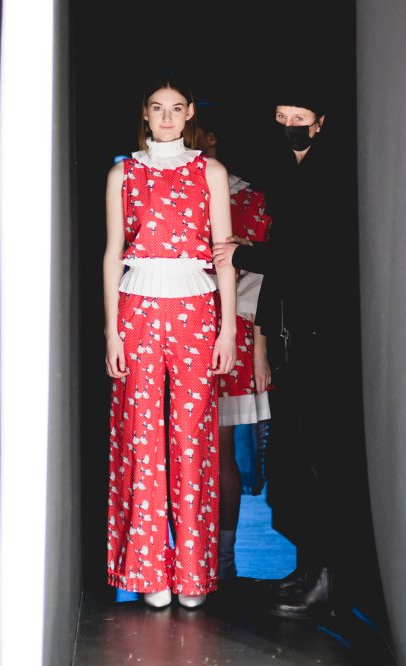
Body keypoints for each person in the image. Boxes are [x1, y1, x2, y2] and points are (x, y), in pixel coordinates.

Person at [212, 79, 367, 620]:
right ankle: (309, 569)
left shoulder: (329, 177)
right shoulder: (291, 176)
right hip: (294, 337)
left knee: (322, 460)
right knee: (299, 460)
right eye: (281, 118)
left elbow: (311, 257)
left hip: (322, 339)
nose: (289, 128)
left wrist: (244, 254)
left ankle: (327, 581)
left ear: (319, 123)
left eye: (298, 118)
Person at [104, 74, 237, 610]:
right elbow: (113, 252)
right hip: (137, 308)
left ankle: (192, 572)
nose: (165, 117)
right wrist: (110, 329)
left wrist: (228, 328)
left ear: (189, 114)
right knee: (140, 437)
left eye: (175, 108)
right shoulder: (124, 173)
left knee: (192, 436)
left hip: (196, 310)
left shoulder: (210, 172)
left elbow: (224, 254)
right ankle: (147, 570)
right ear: (144, 113)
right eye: (156, 108)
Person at [195, 104, 272, 580]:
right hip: (175, 325)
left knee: (218, 448)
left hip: (229, 331)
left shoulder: (249, 198)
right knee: (183, 449)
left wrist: (259, 347)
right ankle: (189, 557)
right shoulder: (171, 189)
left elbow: (260, 280)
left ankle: (221, 560)